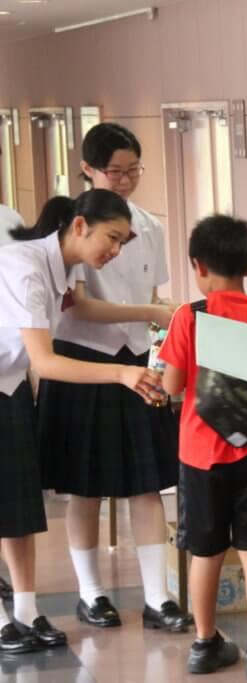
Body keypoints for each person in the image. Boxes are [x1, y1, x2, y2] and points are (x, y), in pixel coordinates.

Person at [36, 122, 186, 632]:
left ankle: (158, 597)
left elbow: (154, 295)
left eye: (133, 170)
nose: (124, 181)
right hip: (83, 360)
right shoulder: (76, 227)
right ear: (88, 170)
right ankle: (91, 593)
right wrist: (151, 311)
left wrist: (162, 319)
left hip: (137, 359)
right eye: (114, 172)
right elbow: (77, 306)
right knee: (84, 487)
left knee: (147, 484)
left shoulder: (151, 226)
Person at [0, 190, 160, 655]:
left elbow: (58, 329)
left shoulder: (62, 266)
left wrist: (150, 315)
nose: (115, 250)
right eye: (112, 238)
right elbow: (45, 362)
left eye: (123, 242)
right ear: (78, 226)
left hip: (8, 385)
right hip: (11, 379)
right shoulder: (25, 267)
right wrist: (122, 373)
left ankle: (26, 611)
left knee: (19, 510)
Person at [159, 215, 247, 678]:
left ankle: (204, 643)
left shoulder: (189, 316)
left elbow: (172, 385)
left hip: (200, 456)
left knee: (205, 551)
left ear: (199, 266)